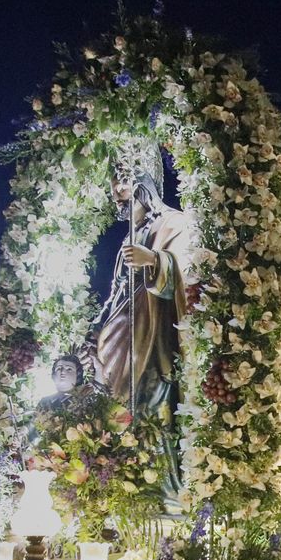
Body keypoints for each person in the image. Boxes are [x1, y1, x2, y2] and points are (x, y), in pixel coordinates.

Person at [92, 164, 201, 508]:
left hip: (154, 336)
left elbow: (184, 276)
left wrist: (153, 259)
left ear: (145, 186)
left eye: (124, 182)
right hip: (123, 335)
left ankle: (159, 488)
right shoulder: (129, 236)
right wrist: (98, 327)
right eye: (113, 185)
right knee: (119, 408)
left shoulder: (174, 223)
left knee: (152, 405)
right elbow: (117, 292)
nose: (117, 191)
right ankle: (124, 485)